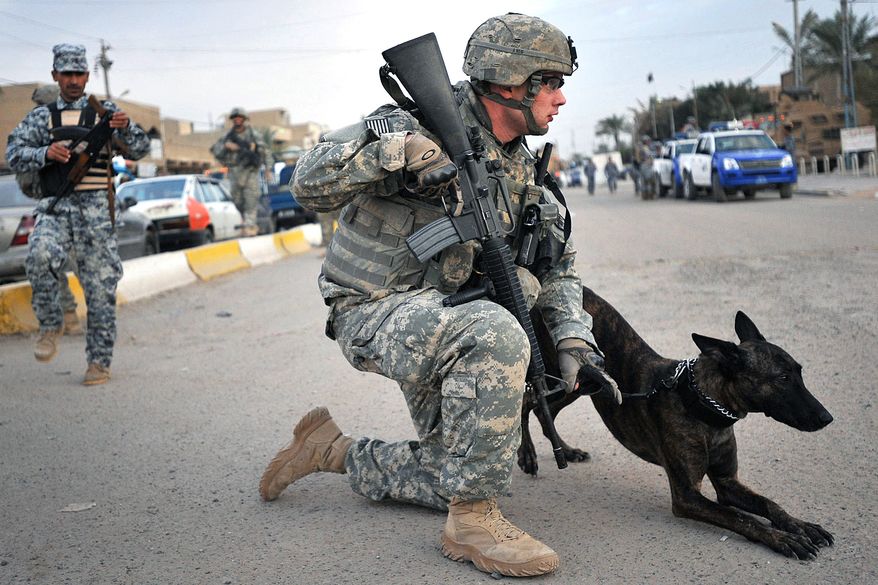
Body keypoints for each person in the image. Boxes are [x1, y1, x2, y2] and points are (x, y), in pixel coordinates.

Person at [261, 13, 620, 578]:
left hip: (444, 315)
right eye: (550, 82)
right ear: (511, 81)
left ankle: (329, 450)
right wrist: (397, 151)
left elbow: (560, 264)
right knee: (497, 334)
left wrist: (574, 338)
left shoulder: (521, 163)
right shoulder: (413, 121)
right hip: (373, 309)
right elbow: (305, 180)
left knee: (449, 470)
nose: (561, 98)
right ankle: (472, 522)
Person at [5, 44, 150, 385]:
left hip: (97, 210)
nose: (72, 80)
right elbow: (14, 154)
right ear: (55, 75)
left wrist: (126, 128)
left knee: (100, 288)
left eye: (78, 73)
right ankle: (52, 322)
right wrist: (44, 152)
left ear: (87, 75)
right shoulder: (42, 117)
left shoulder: (105, 111)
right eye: (66, 73)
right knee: (39, 256)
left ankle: (98, 362)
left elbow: (141, 149)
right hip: (56, 206)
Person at [28, 84, 83, 336]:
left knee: (85, 265)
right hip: (52, 211)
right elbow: (27, 182)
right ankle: (70, 316)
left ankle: (96, 314)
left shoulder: (79, 133)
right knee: (51, 265)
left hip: (81, 212)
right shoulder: (35, 139)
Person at [210, 108, 272, 237]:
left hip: (250, 171)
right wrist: (226, 147)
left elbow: (265, 152)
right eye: (235, 118)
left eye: (240, 118)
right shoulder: (228, 136)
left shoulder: (253, 135)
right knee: (237, 200)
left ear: (244, 119)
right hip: (234, 172)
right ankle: (246, 220)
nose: (238, 120)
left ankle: (250, 226)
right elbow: (216, 151)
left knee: (251, 198)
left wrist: (268, 169)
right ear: (233, 120)